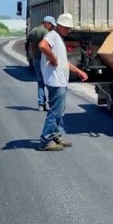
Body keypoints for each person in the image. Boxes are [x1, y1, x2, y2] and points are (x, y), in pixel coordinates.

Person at [37, 13, 89, 151]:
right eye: (66, 28)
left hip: (60, 80)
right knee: (55, 112)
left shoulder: (58, 38)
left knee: (60, 111)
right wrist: (53, 58)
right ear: (59, 25)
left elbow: (63, 62)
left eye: (69, 28)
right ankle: (45, 140)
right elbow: (42, 46)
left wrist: (78, 71)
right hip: (55, 81)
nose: (68, 30)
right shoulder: (53, 35)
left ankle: (56, 135)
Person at [27, 16, 55, 111]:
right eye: (51, 25)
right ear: (47, 23)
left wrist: (31, 55)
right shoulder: (45, 32)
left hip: (35, 59)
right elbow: (45, 45)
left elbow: (29, 44)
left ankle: (41, 104)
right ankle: (52, 104)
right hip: (44, 60)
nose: (51, 27)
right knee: (50, 81)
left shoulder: (33, 31)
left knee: (40, 82)